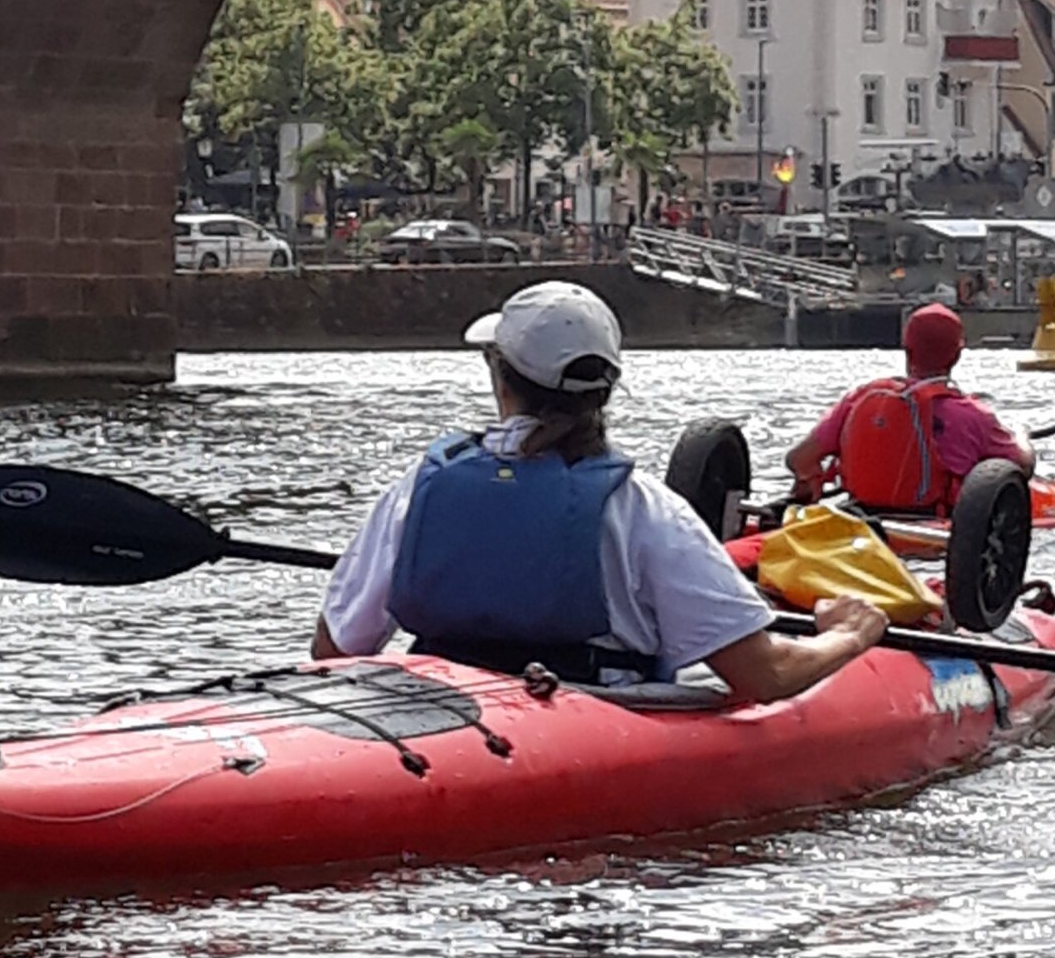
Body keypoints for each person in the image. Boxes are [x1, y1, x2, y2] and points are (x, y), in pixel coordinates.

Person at [311, 281, 886, 703]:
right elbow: (767, 675)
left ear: (499, 377)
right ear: (603, 393)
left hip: (442, 715)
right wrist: (849, 635)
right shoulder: (643, 509)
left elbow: (335, 653)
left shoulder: (420, 487)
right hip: (585, 712)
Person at [782, 302, 1034, 516]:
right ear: (957, 355)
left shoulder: (858, 399)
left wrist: (810, 478)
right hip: (931, 530)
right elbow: (1023, 467)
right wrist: (1021, 435)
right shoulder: (974, 415)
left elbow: (798, 459)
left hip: (860, 521)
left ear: (906, 348)